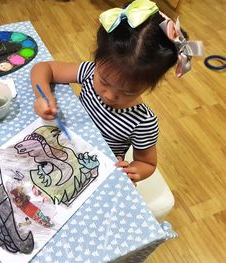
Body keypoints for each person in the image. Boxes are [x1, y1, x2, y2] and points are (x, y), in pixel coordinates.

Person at [30, 0, 202, 183]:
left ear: (150, 86)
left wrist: (134, 170)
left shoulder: (143, 122)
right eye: (104, 81)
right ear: (97, 59)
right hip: (62, 150)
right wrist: (44, 96)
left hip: (93, 173)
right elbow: (43, 68)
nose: (110, 95)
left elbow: (147, 164)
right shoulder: (90, 72)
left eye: (128, 92)